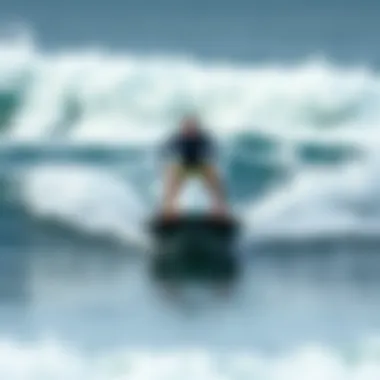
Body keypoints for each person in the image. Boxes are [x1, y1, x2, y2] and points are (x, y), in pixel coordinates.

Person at [161, 115, 229, 217]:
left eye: (192, 126)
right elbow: (166, 151)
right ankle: (169, 211)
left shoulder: (204, 138)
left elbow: (212, 152)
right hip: (183, 166)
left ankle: (219, 211)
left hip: (200, 166)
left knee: (213, 171)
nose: (189, 129)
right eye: (187, 126)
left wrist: (205, 157)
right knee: (171, 171)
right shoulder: (176, 139)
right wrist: (175, 157)